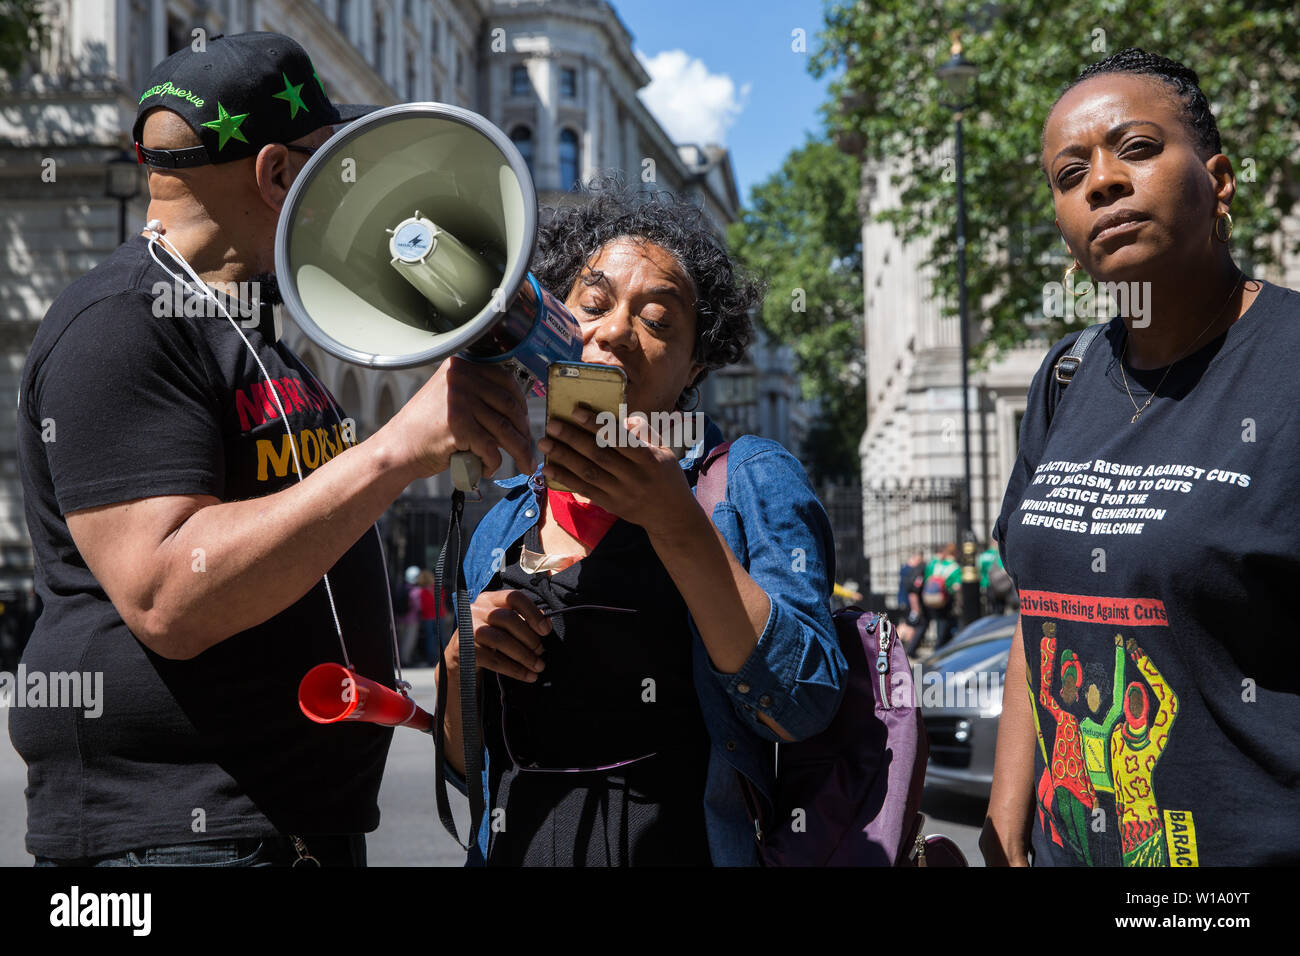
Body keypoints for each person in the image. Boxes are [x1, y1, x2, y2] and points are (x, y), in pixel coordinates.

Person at [12, 33, 532, 867]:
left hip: (283, 827)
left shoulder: (245, 329)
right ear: (277, 176)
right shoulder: (120, 325)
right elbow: (166, 596)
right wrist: (397, 450)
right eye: (333, 168)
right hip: (177, 837)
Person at [436, 183, 846, 866]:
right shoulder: (502, 519)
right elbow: (465, 765)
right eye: (592, 304)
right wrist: (459, 660)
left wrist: (672, 520)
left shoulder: (745, 480)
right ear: (557, 322)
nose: (616, 331)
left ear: (697, 366)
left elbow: (801, 706)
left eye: (657, 320)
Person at [982, 48, 1300, 867]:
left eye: (1137, 148)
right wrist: (1007, 817)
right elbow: (1040, 609)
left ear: (1219, 181)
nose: (1102, 183)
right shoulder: (1065, 376)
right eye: (1068, 173)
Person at [922, 543, 962, 650]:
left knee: (939, 620)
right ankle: (939, 645)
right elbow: (957, 586)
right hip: (946, 598)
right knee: (945, 621)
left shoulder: (936, 564)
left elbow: (927, 578)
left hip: (932, 596)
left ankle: (940, 643)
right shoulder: (955, 567)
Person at [415, 569, 443, 664]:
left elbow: (422, 606)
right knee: (440, 638)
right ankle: (442, 657)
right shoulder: (438, 588)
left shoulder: (422, 591)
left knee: (430, 638)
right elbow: (442, 599)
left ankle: (431, 659)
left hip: (427, 617)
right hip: (439, 615)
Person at [397, 566, 422, 667]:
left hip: (400, 618)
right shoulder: (416, 591)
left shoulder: (401, 588)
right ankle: (405, 661)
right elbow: (417, 607)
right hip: (412, 619)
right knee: (409, 641)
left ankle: (401, 660)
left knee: (401, 640)